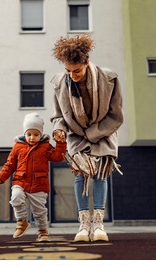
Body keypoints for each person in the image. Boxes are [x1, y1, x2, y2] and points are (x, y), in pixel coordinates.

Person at [50, 34, 123, 242]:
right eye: (68, 71)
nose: (72, 75)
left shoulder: (109, 78)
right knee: (80, 175)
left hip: (103, 132)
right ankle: (83, 226)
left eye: (77, 71)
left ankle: (98, 225)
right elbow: (58, 116)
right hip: (75, 135)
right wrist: (59, 129)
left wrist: (93, 133)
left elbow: (116, 116)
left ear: (86, 61)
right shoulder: (58, 83)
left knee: (100, 174)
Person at [0, 112, 66, 242]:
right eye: (29, 134)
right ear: (24, 133)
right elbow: (10, 165)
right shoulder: (18, 147)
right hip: (20, 181)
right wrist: (0, 177)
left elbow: (58, 157)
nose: (32, 138)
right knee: (15, 197)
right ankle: (22, 222)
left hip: (39, 184)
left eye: (36, 134)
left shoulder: (45, 146)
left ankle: (43, 232)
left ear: (41, 134)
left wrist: (60, 144)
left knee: (39, 211)